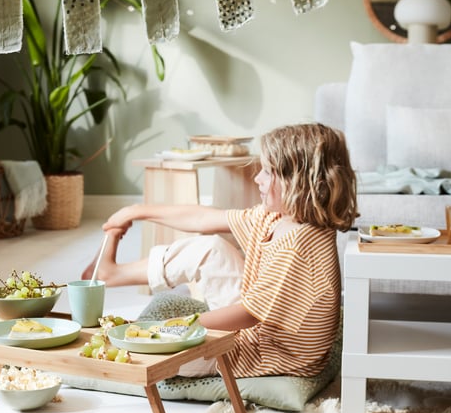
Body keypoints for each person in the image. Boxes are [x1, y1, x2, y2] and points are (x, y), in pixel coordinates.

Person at [83, 123, 357, 378]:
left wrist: (173, 328)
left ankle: (143, 340)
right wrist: (137, 211)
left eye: (268, 171)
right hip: (261, 328)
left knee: (164, 354)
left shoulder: (300, 247)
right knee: (212, 247)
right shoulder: (280, 216)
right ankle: (113, 274)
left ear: (299, 183)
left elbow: (248, 315)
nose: (257, 178)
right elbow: (202, 219)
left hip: (266, 352)